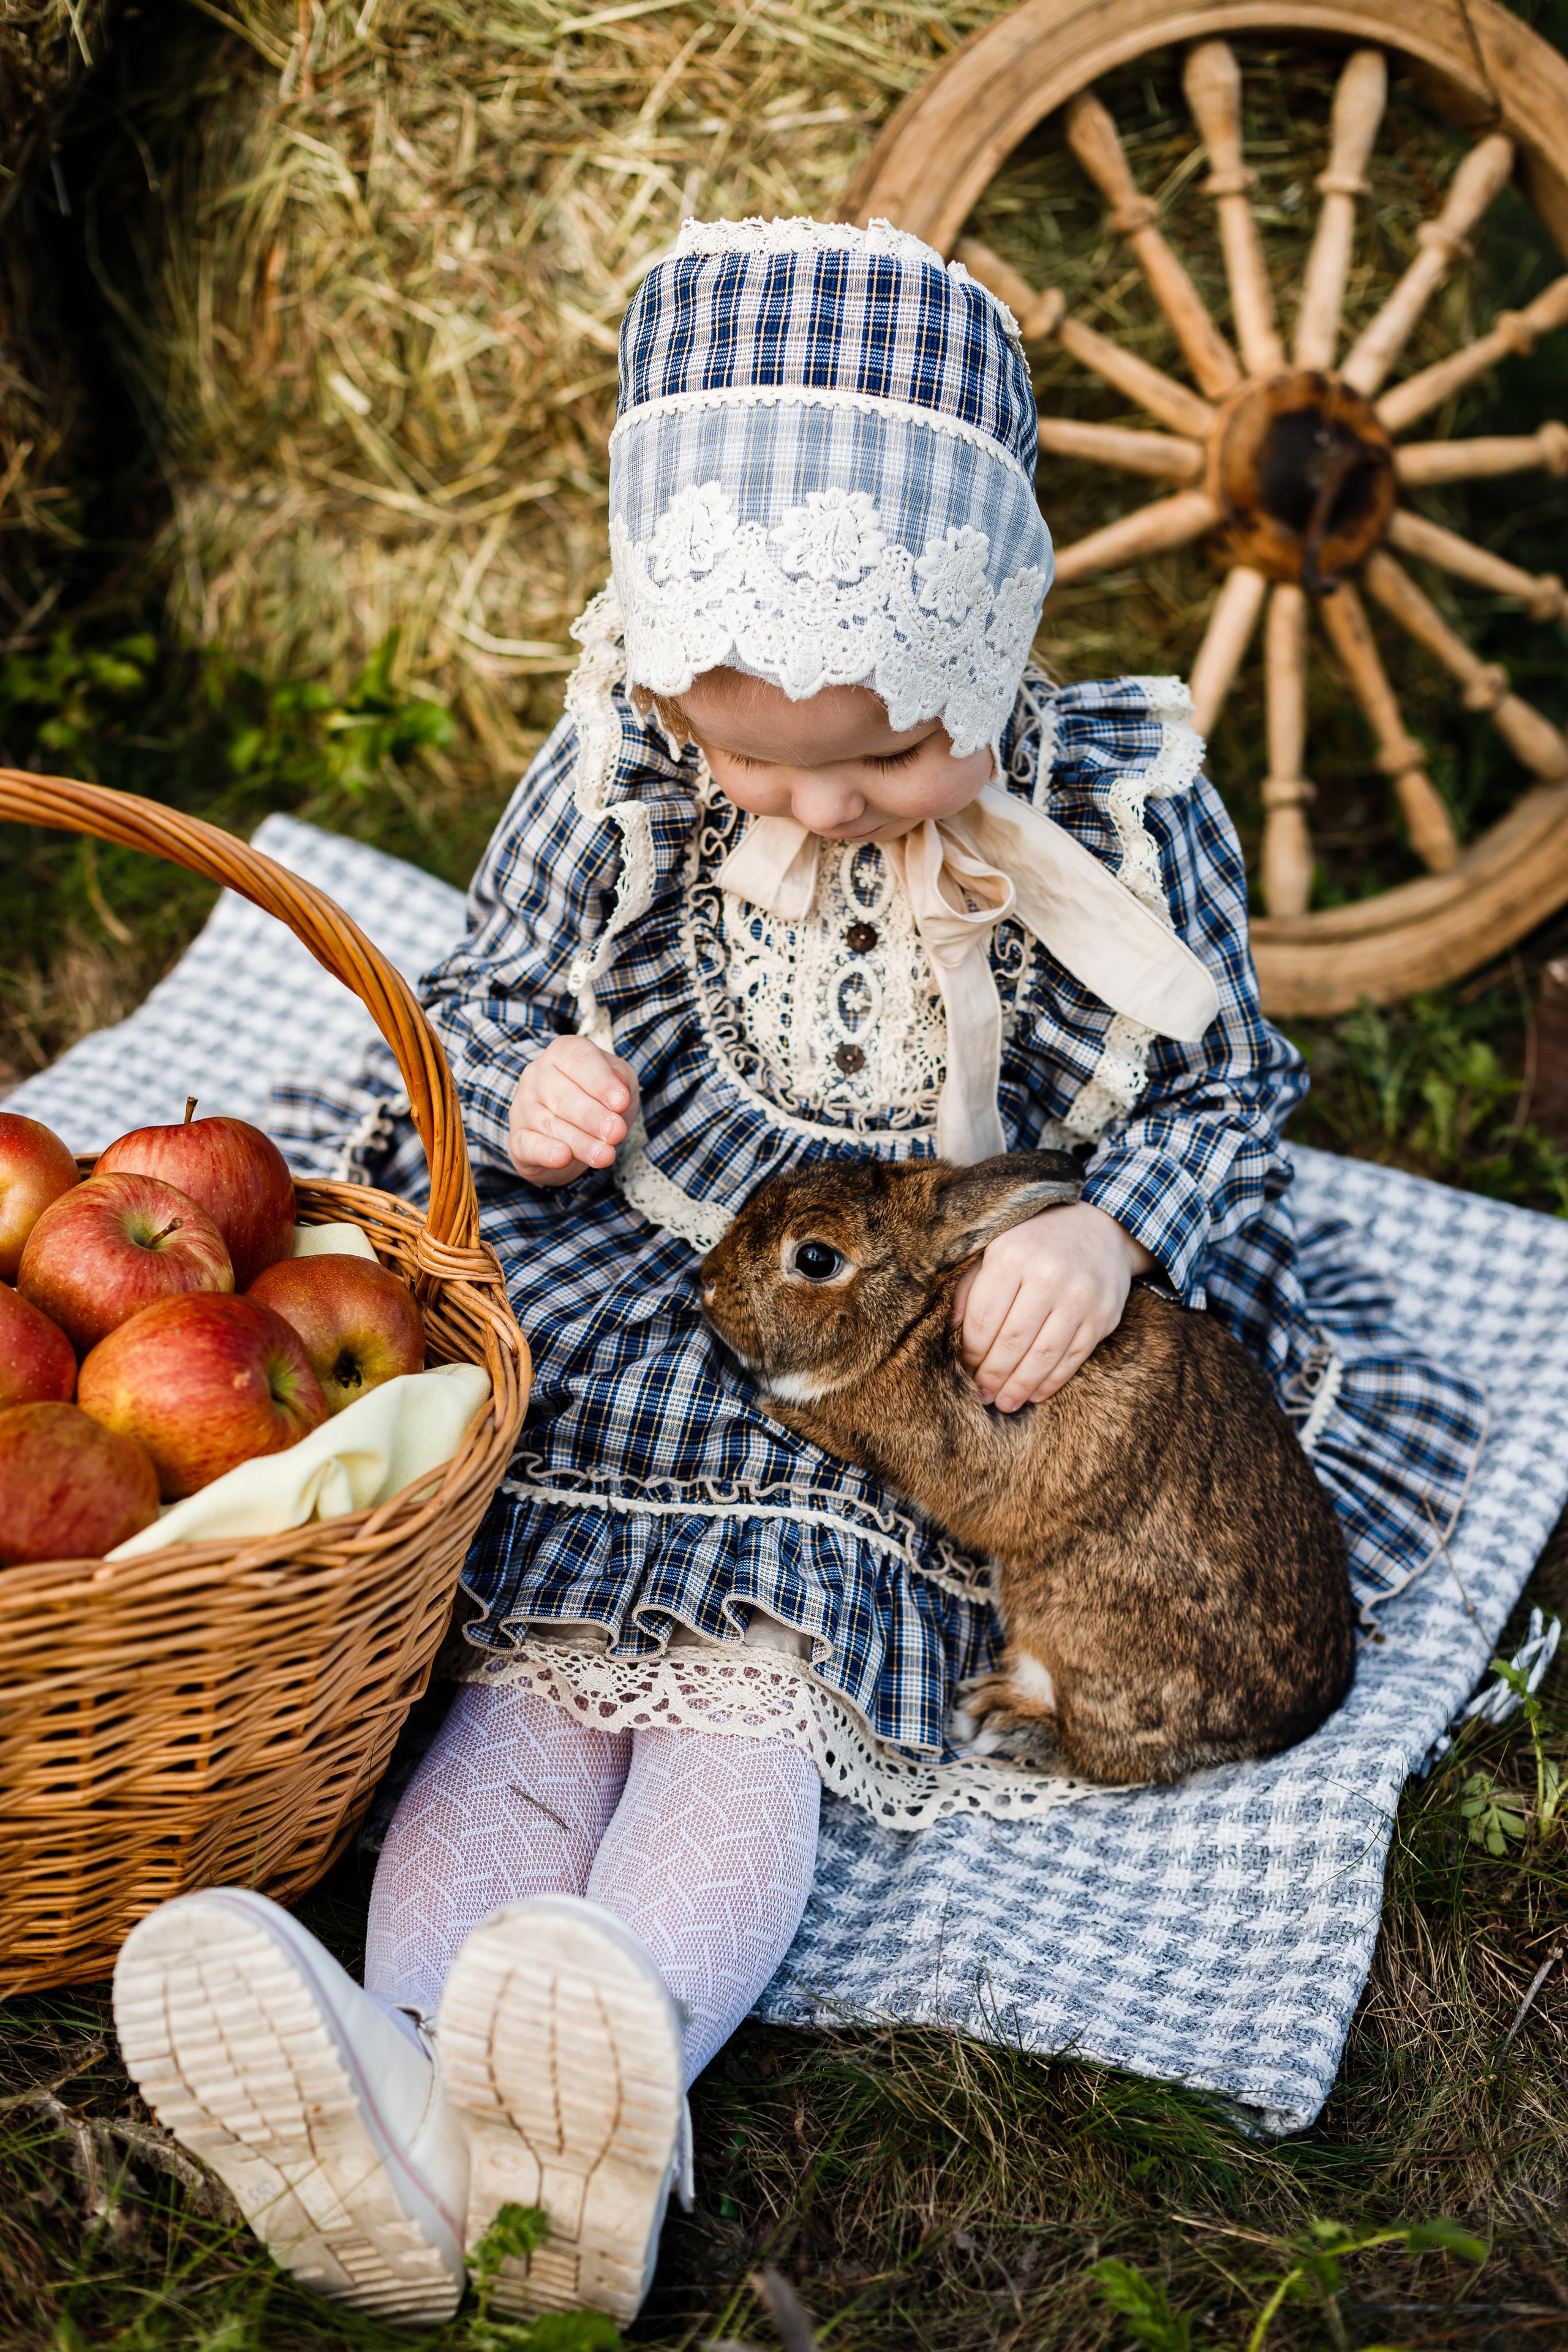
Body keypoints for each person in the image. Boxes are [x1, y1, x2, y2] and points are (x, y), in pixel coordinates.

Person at [112, 215, 1485, 2331]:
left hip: (932, 1332)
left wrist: (1110, 1235)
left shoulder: (1120, 802)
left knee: (757, 1682)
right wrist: (541, 1080)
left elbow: (1222, 1096)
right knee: (532, 1677)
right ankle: (406, 2077)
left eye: (882, 760)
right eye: (761, 762)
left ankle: (612, 2052)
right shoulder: (626, 762)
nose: (820, 811)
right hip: (674, 1248)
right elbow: (484, 987)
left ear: (992, 657)